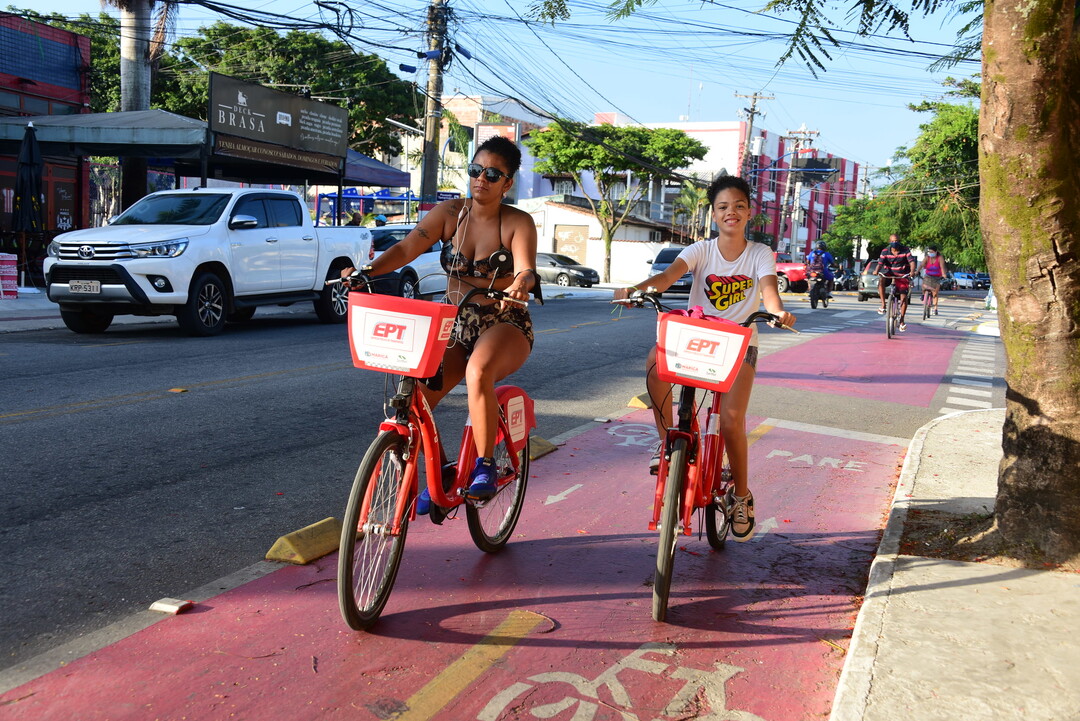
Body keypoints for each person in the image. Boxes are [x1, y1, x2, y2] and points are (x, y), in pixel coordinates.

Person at [341, 135, 539, 513]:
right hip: (454, 323)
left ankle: (484, 468)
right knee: (417, 400)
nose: (481, 179)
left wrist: (519, 284)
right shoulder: (449, 214)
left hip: (505, 322)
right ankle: (443, 472)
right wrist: (366, 272)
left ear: (507, 182)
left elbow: (527, 268)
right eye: (476, 170)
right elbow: (404, 249)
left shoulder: (518, 222)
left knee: (478, 372)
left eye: (493, 174)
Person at [613, 175, 796, 542]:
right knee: (655, 362)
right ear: (714, 214)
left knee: (730, 421)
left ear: (749, 213)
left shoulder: (759, 253)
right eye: (723, 207)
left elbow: (769, 290)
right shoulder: (700, 250)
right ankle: (669, 441)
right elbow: (666, 277)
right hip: (699, 335)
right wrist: (635, 290)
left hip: (740, 343)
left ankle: (741, 496)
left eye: (739, 206)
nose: (731, 212)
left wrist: (777, 311)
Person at [876, 234, 918, 331]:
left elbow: (911, 262)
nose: (895, 243)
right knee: (881, 280)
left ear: (899, 241)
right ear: (889, 241)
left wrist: (912, 271)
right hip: (889, 274)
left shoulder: (905, 250)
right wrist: (876, 270)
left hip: (902, 275)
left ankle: (902, 321)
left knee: (903, 297)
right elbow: (880, 263)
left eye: (896, 241)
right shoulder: (885, 251)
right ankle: (883, 305)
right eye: (893, 241)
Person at [917, 245, 947, 315]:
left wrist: (944, 274)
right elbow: (921, 265)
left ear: (936, 252)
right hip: (928, 276)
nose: (931, 253)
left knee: (935, 293)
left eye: (932, 252)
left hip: (937, 277)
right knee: (924, 286)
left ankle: (935, 308)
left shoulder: (940, 258)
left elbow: (942, 267)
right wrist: (917, 271)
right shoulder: (927, 258)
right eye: (929, 252)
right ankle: (923, 294)